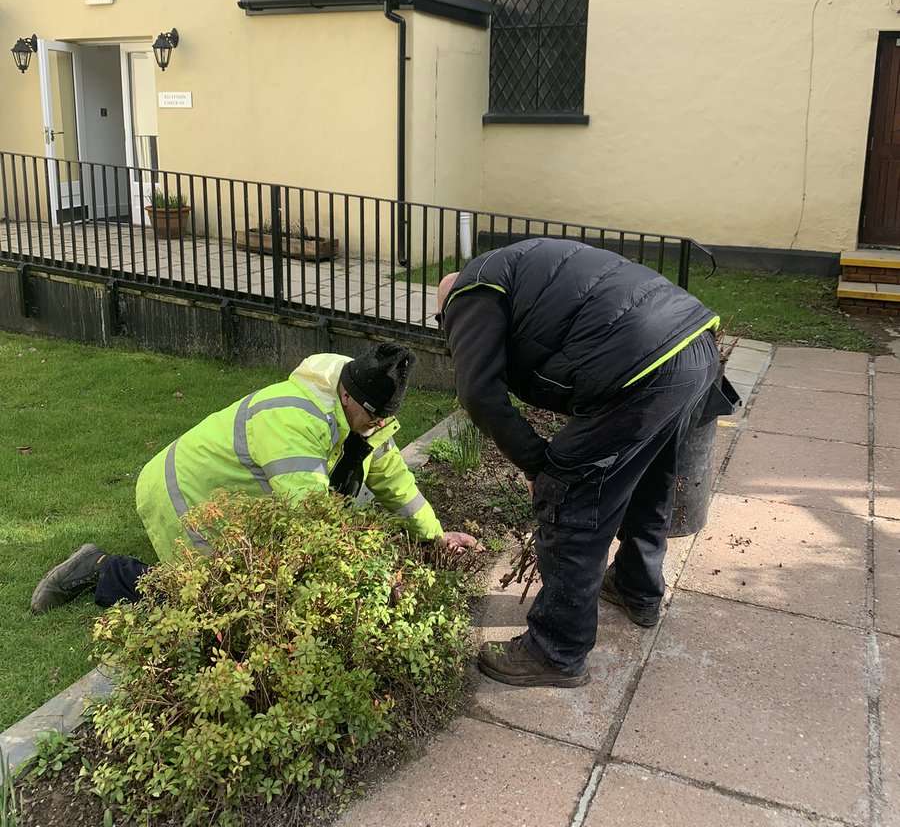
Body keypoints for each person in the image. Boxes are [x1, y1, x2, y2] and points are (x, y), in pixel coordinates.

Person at [436, 237, 720, 689]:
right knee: (648, 481)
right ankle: (635, 587)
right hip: (694, 345)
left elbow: (479, 395)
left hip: (645, 360)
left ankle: (556, 649)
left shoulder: (469, 292)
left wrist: (537, 466)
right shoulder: (517, 267)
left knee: (569, 490)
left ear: (446, 303)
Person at [31, 342, 481, 614]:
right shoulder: (293, 418)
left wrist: (435, 538)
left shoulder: (365, 415)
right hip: (184, 499)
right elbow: (309, 516)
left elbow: (395, 483)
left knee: (270, 589)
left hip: (234, 503)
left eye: (385, 419)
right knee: (218, 607)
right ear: (347, 393)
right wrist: (371, 579)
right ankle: (100, 568)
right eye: (372, 417)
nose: (377, 427)